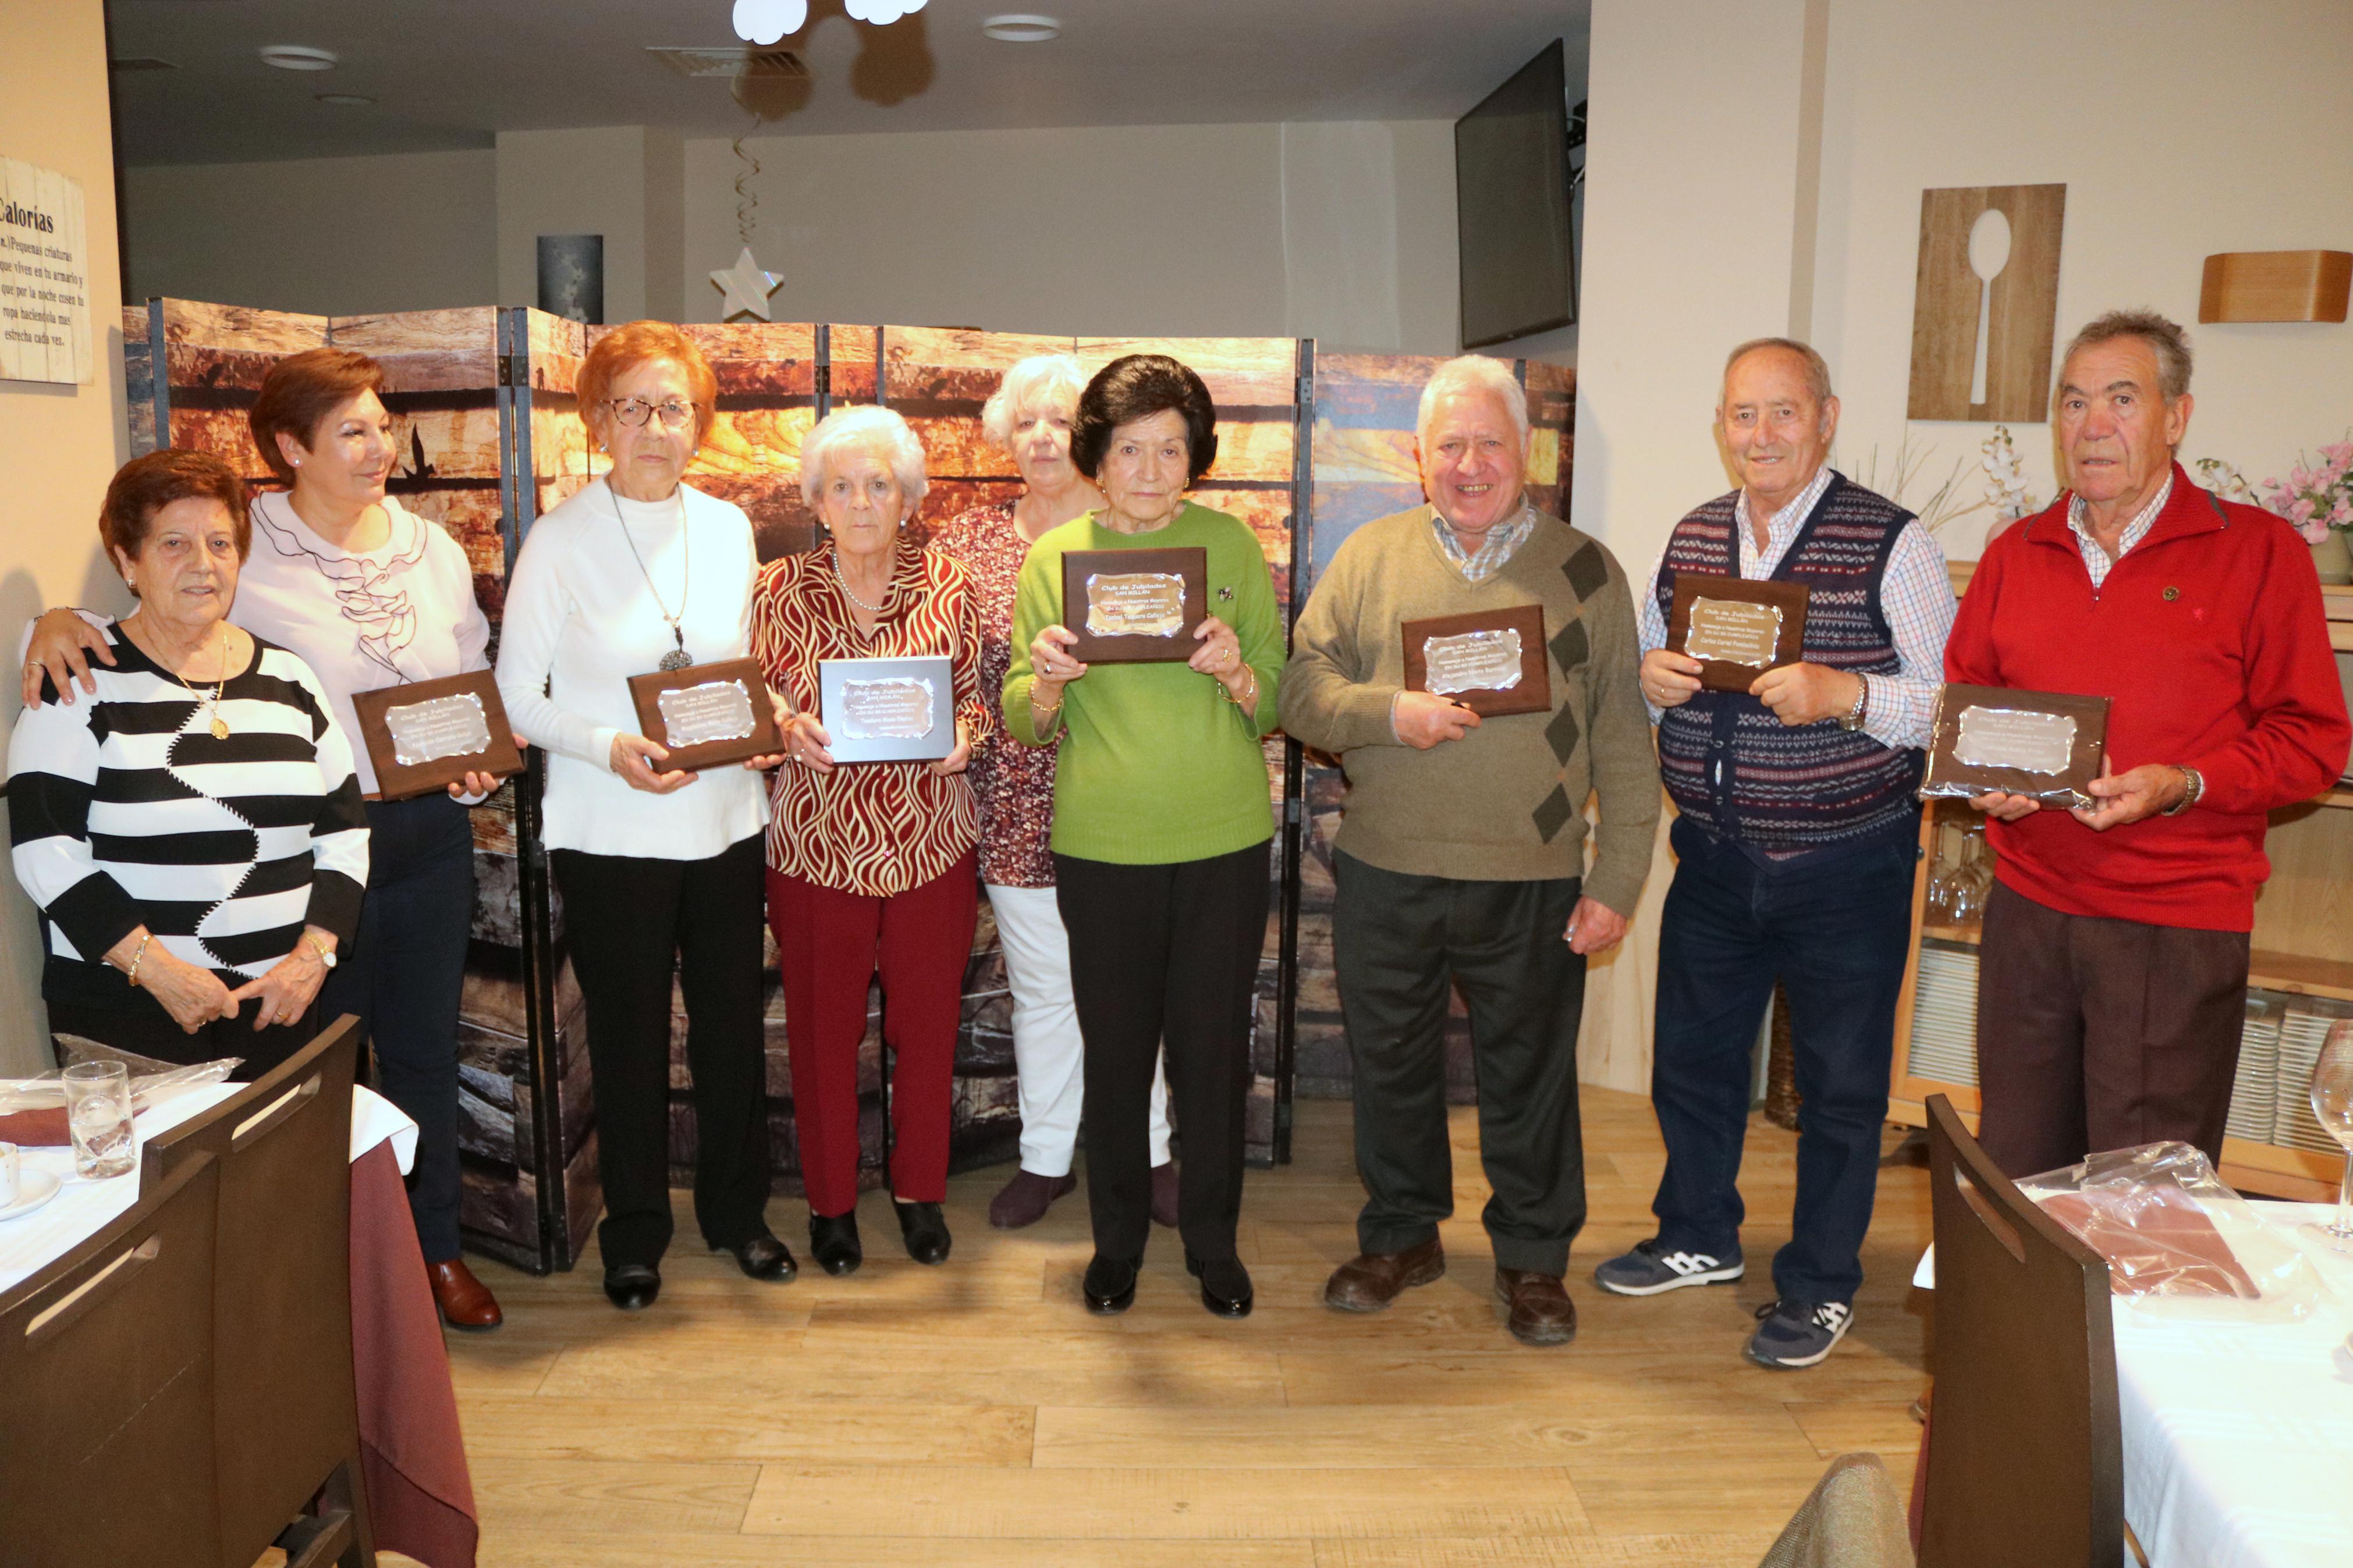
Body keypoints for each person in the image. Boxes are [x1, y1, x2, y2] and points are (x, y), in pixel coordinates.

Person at [23, 346, 513, 1331]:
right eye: (354, 430)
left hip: (399, 854)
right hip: (216, 939)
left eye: (385, 425)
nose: (380, 446)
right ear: (291, 448)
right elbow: (49, 825)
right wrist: (52, 619)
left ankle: (421, 1259)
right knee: (281, 1110)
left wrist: (481, 758)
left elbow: (460, 696)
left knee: (414, 1058)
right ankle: (305, 1303)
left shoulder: (419, 559)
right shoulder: (207, 581)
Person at [1280, 353, 1658, 1348]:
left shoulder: (1586, 571)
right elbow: (1299, 691)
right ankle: (1401, 1236)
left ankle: (1533, 1262)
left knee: (1529, 1080)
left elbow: (1621, 733)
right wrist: (1383, 712)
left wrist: (1617, 877)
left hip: (1530, 880)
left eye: (1489, 440)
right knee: (1390, 1070)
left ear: (1525, 449)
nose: (1469, 462)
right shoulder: (1369, 558)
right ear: (1417, 457)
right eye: (1448, 444)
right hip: (1388, 867)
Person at [1593, 337, 1957, 1371]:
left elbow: (1946, 707)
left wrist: (1844, 693)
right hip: (1711, 857)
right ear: (1721, 427)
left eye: (1782, 413)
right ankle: (1698, 1236)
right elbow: (1648, 655)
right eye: (1741, 416)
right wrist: (1650, 679)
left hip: (1847, 864)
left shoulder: (1894, 543)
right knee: (1692, 1066)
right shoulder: (1696, 533)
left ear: (1825, 418)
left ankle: (1820, 1284)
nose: (1760, 435)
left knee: (1839, 1090)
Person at [1949, 310, 2350, 1177]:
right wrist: (1985, 781)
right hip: (2026, 911)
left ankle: (2134, 1323)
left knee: (2145, 1195)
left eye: (2120, 399)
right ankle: (2027, 1324)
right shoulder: (2014, 553)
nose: (2092, 424)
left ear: (2175, 417)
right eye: (2072, 401)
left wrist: (2181, 780)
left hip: (2173, 922)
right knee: (2016, 1175)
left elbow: (2312, 740)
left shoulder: (2256, 552)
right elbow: (1967, 706)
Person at [495, 320, 790, 1313]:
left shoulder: (727, 526)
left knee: (728, 1035)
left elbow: (737, 671)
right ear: (596, 420)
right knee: (623, 1040)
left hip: (723, 822)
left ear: (698, 422)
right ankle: (635, 1230)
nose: (655, 427)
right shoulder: (560, 538)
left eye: (674, 407)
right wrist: (605, 747)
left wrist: (764, 726)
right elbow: (517, 698)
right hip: (612, 828)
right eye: (632, 406)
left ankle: (737, 1214)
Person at [1004, 353, 1282, 1319]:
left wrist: (1238, 673)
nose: (1152, 470)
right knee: (1114, 1055)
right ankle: (1114, 1243)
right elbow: (1020, 719)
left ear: (1194, 456)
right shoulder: (1055, 559)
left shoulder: (1231, 547)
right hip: (1103, 845)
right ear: (1096, 454)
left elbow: (1277, 695)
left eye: (1171, 449)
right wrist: (1044, 681)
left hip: (1222, 841)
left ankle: (1212, 1243)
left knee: (1210, 1058)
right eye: (1131, 449)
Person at [8, 450, 368, 1084]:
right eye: (174, 543)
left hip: (279, 1005)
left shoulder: (291, 678)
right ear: (128, 562)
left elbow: (343, 834)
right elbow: (45, 851)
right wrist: (158, 971)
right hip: (130, 1011)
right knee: (160, 1185)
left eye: (220, 543)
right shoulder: (81, 682)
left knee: (280, 1181)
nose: (203, 564)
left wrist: (313, 957)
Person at [929, 354, 1177, 1232]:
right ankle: (1044, 1158)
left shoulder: (1140, 533)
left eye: (1058, 420)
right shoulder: (963, 544)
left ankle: (1148, 1154)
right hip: (1017, 798)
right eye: (1024, 421)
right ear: (1004, 434)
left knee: (1131, 988)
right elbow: (950, 670)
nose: (1041, 437)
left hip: (1125, 797)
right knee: (1043, 989)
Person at [756, 405, 990, 1275]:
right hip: (818, 850)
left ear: (908, 498)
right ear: (816, 502)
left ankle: (918, 1189)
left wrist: (967, 734)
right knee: (822, 1032)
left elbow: (972, 694)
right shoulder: (774, 589)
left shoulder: (950, 584)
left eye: (879, 485)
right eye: (842, 486)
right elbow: (758, 702)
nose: (861, 503)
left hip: (931, 843)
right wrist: (782, 724)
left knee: (926, 1029)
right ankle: (829, 1204)